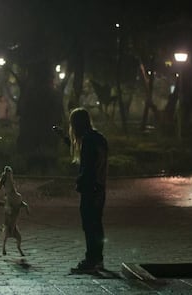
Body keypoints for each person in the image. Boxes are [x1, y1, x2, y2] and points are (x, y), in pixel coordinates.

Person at [54, 107, 108, 272]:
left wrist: (80, 181)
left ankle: (91, 260)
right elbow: (86, 155)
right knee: (96, 224)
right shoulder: (97, 138)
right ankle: (97, 259)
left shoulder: (88, 141)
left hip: (90, 190)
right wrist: (64, 137)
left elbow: (88, 165)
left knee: (89, 225)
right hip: (99, 188)